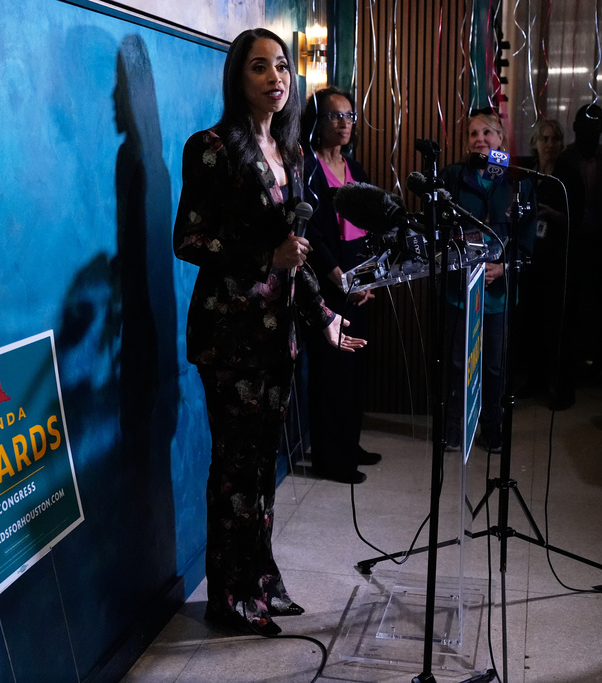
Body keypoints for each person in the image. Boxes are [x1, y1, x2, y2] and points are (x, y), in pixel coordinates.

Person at [173, 28, 366, 636]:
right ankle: (228, 599)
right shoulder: (210, 147)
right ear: (238, 77)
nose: (275, 77)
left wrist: (324, 316)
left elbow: (296, 253)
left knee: (262, 469)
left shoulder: (292, 152)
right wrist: (264, 256)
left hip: (278, 335)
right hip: (230, 336)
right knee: (235, 469)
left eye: (281, 66)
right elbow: (188, 239)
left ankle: (260, 583)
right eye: (259, 67)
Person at [441, 107, 537, 452]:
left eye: (487, 133)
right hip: (459, 288)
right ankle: (454, 428)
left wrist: (505, 266)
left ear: (500, 139)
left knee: (494, 365)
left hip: (497, 292)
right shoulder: (453, 176)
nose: (479, 139)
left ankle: (492, 427)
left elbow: (527, 238)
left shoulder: (518, 182)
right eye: (473, 134)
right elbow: (440, 228)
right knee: (457, 363)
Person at [300, 86, 380, 484]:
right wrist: (338, 276)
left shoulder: (355, 168)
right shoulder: (306, 168)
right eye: (335, 115)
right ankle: (330, 459)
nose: (345, 123)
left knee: (355, 369)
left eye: (349, 116)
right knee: (330, 374)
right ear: (317, 121)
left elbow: (368, 225)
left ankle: (350, 444)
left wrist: (369, 277)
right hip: (325, 281)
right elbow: (311, 233)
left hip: (357, 280)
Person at [518, 118, 584, 409]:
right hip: (531, 257)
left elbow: (578, 220)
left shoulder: (568, 177)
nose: (550, 145)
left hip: (558, 260)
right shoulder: (528, 174)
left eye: (555, 139)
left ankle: (562, 389)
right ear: (535, 143)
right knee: (530, 322)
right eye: (544, 139)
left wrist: (552, 214)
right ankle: (534, 380)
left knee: (557, 326)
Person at [557, 103, 602, 381]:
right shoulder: (565, 158)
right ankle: (571, 364)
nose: (589, 130)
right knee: (570, 304)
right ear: (575, 128)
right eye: (584, 125)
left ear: (601, 128)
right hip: (572, 239)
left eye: (594, 125)